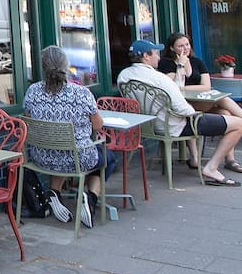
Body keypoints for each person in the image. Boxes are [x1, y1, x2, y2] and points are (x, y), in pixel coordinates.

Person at [118, 39, 242, 186]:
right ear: (146, 56)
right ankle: (211, 168)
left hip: (147, 126)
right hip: (177, 126)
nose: (158, 57)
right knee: (239, 124)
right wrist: (196, 112)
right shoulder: (160, 79)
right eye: (155, 54)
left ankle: (210, 161)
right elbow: (184, 109)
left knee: (224, 112)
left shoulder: (123, 76)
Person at [23, 45, 110, 228]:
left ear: (43, 66)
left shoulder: (32, 91)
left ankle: (54, 192)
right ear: (66, 66)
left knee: (61, 149)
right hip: (77, 159)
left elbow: (28, 122)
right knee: (105, 158)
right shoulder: (81, 93)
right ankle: (90, 198)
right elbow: (98, 124)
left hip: (42, 157)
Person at [159, 32, 242, 173]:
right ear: (172, 48)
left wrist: (183, 87)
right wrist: (179, 66)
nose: (185, 48)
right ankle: (195, 157)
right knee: (223, 100)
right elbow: (169, 85)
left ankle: (230, 159)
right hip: (182, 106)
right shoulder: (166, 63)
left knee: (226, 112)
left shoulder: (197, 61)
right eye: (180, 46)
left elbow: (206, 86)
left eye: (187, 44)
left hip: (202, 102)